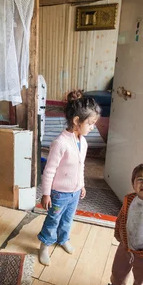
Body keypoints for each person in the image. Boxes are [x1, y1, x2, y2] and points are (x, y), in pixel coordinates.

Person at [37, 90, 100, 266]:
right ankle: (44, 245)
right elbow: (49, 170)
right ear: (76, 121)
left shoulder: (84, 141)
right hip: (59, 193)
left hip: (75, 192)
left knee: (67, 219)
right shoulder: (60, 143)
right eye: (91, 123)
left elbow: (81, 166)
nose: (93, 127)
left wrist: (82, 185)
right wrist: (46, 193)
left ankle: (63, 239)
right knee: (53, 219)